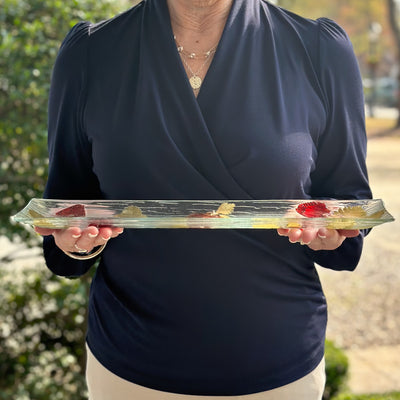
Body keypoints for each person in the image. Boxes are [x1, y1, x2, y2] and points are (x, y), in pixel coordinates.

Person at [35, 0, 372, 398]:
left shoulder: (318, 49)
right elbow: (67, 203)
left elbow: (349, 197)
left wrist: (332, 231)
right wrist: (75, 244)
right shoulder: (90, 52)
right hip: (129, 367)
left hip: (278, 366)